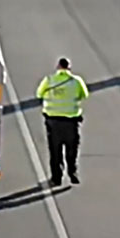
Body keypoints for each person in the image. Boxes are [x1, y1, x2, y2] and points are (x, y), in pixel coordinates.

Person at [36, 57, 89, 186]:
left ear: (58, 67)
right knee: (72, 149)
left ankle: (57, 178)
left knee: (55, 151)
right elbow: (84, 95)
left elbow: (39, 94)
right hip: (71, 121)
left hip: (53, 121)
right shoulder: (76, 81)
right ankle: (73, 173)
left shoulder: (49, 80)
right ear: (69, 68)